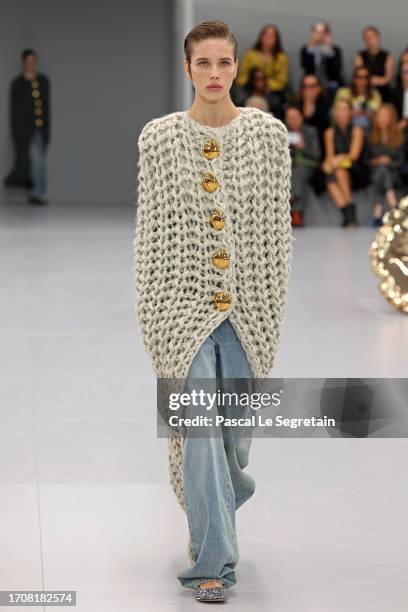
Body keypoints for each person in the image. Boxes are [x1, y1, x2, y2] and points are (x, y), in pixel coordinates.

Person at [133, 19, 292, 603]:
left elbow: (276, 235)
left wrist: (270, 311)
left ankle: (221, 500)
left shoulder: (268, 137)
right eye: (204, 64)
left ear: (237, 67)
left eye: (224, 63)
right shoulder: (159, 138)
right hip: (180, 311)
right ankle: (212, 565)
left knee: (232, 444)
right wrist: (153, 316)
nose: (215, 74)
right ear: (188, 69)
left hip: (249, 311)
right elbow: (152, 232)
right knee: (198, 430)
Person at [3, 48, 51, 205]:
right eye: (28, 61)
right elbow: (15, 110)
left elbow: (46, 108)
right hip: (24, 130)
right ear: (24, 62)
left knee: (39, 160)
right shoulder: (17, 84)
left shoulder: (43, 81)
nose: (31, 64)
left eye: (33, 61)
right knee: (34, 159)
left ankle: (37, 192)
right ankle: (38, 193)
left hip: (40, 128)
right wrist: (17, 132)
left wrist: (47, 129)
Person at [321, 98, 366, 227]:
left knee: (339, 172)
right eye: (338, 109)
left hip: (355, 168)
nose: (340, 113)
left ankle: (349, 214)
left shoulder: (357, 130)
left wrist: (338, 159)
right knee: (330, 179)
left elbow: (353, 155)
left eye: (344, 109)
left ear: (350, 112)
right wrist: (329, 164)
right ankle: (349, 214)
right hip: (337, 167)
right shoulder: (329, 132)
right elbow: (330, 156)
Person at [234, 23, 288, 116]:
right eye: (266, 35)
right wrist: (254, 84)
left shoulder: (281, 57)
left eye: (272, 35)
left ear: (276, 39)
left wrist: (264, 85)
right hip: (249, 89)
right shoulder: (250, 54)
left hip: (269, 91)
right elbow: (242, 76)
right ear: (261, 37)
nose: (269, 38)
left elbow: (282, 80)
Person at [366, 104, 405, 225]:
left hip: (394, 173)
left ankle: (377, 214)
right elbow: (365, 160)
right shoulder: (370, 137)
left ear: (391, 118)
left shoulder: (400, 137)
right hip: (375, 172)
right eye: (380, 116)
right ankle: (393, 206)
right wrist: (377, 161)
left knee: (381, 173)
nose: (382, 119)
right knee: (380, 171)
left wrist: (389, 162)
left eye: (385, 116)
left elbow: (401, 161)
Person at [285, 105, 321, 226]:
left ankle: (291, 200)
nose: (293, 120)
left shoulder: (310, 131)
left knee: (298, 173)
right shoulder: (283, 132)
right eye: (290, 117)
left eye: (295, 117)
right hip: (290, 166)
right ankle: (296, 213)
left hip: (308, 165)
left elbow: (316, 155)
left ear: (301, 118)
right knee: (291, 172)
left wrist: (303, 147)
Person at [300, 20, 344, 104]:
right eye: (317, 32)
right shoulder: (306, 50)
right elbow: (306, 67)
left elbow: (336, 69)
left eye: (323, 32)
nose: (320, 35)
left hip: (331, 85)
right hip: (312, 85)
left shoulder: (335, 50)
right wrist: (311, 47)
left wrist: (328, 49)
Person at [334, 66, 382, 132]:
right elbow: (335, 114)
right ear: (354, 78)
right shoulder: (343, 92)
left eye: (366, 77)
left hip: (371, 129)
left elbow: (380, 115)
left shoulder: (375, 94)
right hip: (348, 129)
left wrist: (370, 115)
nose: (363, 80)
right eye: (360, 77)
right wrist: (353, 113)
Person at [354, 26, 393, 103]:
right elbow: (358, 75)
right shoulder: (360, 55)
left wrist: (378, 81)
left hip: (383, 91)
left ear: (378, 37)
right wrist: (368, 81)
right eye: (366, 38)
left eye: (371, 37)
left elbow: (388, 77)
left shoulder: (387, 55)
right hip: (365, 90)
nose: (369, 41)